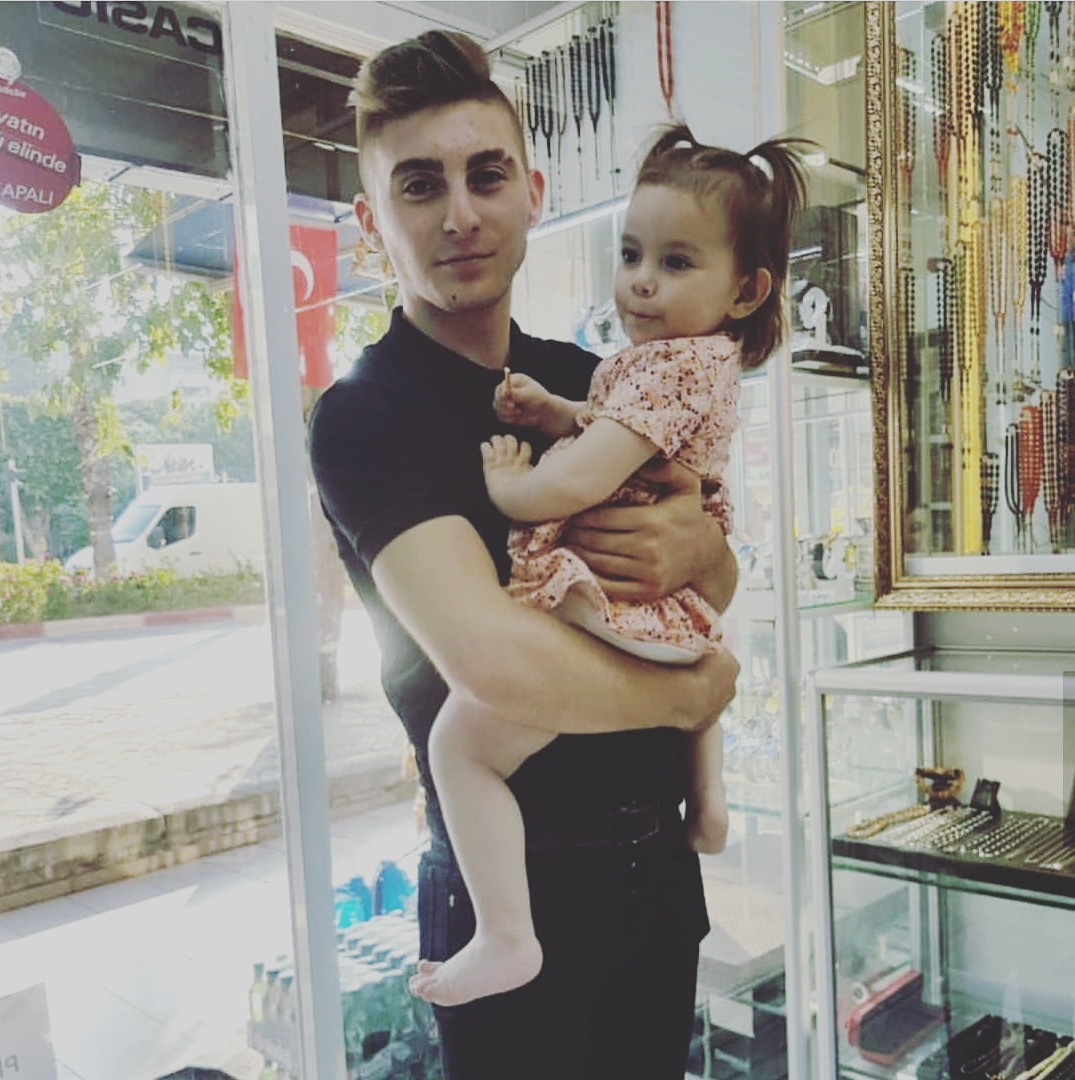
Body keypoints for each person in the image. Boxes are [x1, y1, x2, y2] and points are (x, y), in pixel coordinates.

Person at [309, 29, 740, 1080]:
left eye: (486, 175)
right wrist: (690, 695)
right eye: (420, 185)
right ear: (371, 224)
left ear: (533, 193)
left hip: (657, 875)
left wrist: (695, 544)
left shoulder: (593, 379)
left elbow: (719, 576)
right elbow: (496, 665)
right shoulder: (365, 417)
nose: (461, 214)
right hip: (512, 898)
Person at [408, 126, 810, 1009]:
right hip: (645, 704)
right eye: (631, 255)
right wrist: (558, 412)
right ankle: (709, 798)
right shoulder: (664, 366)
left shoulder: (657, 369)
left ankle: (505, 933)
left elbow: (585, 479)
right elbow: (615, 435)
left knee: (459, 747)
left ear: (746, 290)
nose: (641, 282)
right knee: (685, 658)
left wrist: (514, 487)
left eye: (674, 262)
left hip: (643, 856)